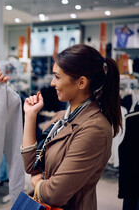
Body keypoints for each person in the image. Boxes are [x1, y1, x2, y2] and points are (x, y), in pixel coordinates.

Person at [21, 44, 121, 209]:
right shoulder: (61, 118)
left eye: (57, 77)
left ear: (81, 82)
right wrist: (30, 116)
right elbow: (31, 165)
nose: (52, 83)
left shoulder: (94, 129)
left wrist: (38, 182)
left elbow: (55, 194)